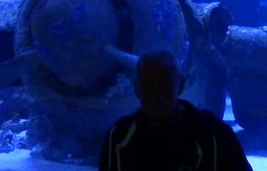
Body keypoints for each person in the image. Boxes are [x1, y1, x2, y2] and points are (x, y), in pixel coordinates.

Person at [98, 50, 252, 171]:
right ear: (137, 88)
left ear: (181, 84)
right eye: (148, 85)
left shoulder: (215, 135)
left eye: (165, 84)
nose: (157, 94)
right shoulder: (118, 136)